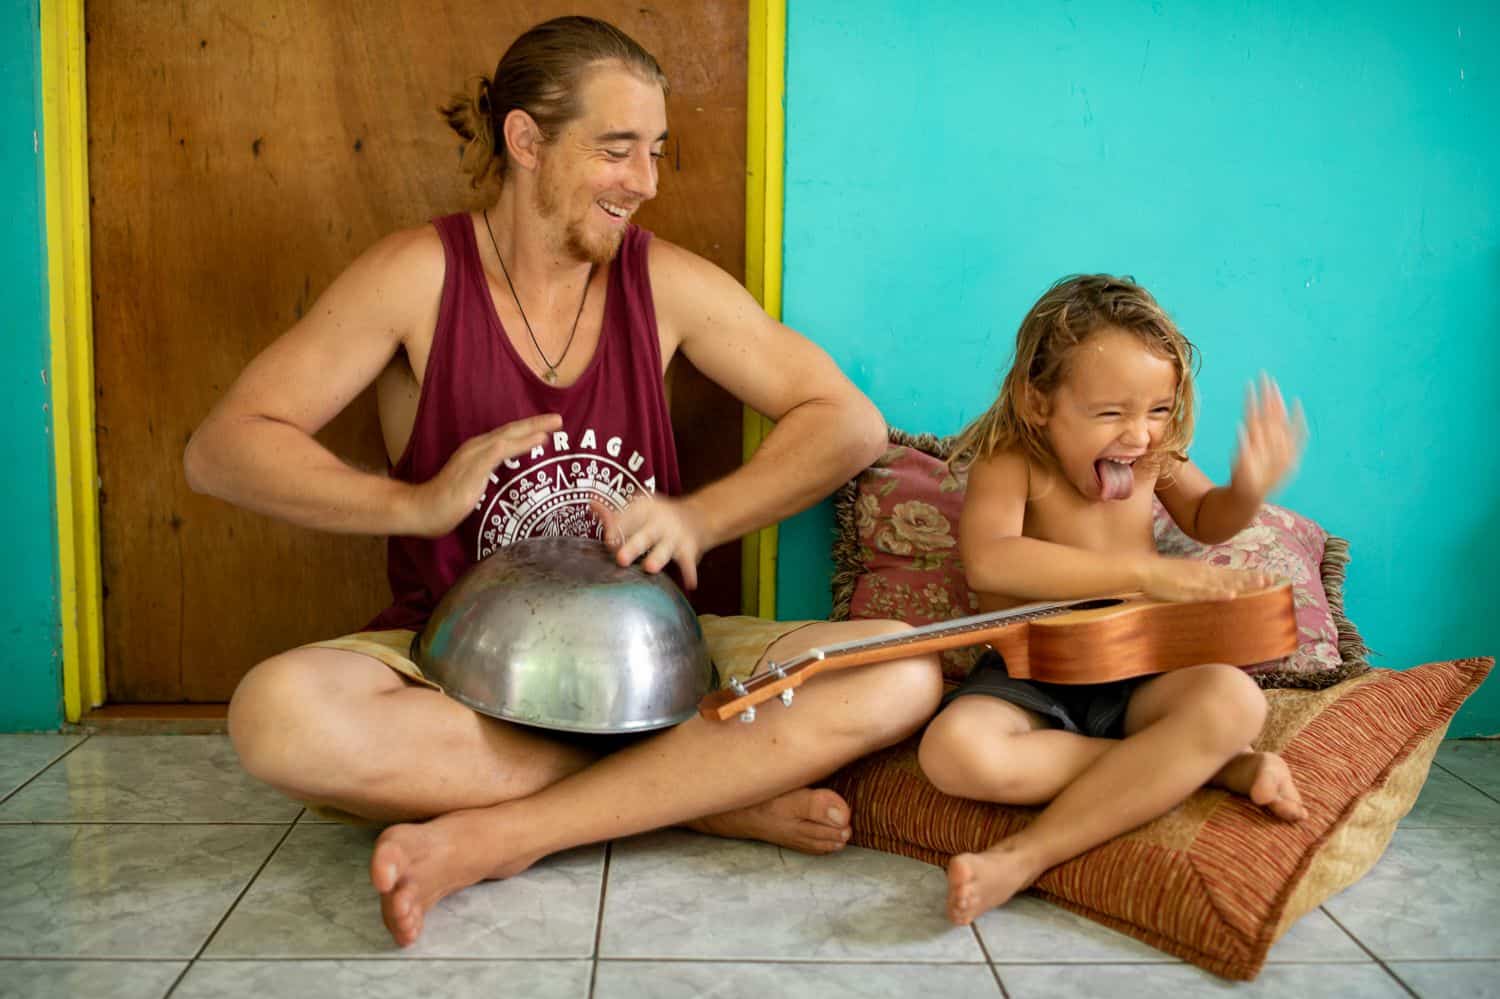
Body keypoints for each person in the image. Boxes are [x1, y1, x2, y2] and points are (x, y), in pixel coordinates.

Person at [183, 16, 942, 948]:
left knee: (902, 670)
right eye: (617, 150)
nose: (647, 182)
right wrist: (414, 504)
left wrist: (698, 518)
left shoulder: (663, 284)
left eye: (655, 151)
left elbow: (846, 423)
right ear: (526, 140)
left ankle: (512, 833)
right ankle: (692, 795)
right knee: (276, 716)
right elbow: (225, 448)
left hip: (658, 665)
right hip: (456, 674)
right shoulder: (418, 276)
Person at [915, 274, 1309, 926]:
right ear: (1037, 401)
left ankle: (1023, 855)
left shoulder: (1155, 462)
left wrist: (1246, 490)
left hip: (1138, 671)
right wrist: (1140, 573)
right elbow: (991, 558)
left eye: (1158, 411)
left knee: (1236, 700)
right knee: (952, 753)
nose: (1141, 436)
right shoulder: (1013, 461)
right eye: (1111, 414)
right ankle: (1207, 769)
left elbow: (1209, 517)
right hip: (1033, 671)